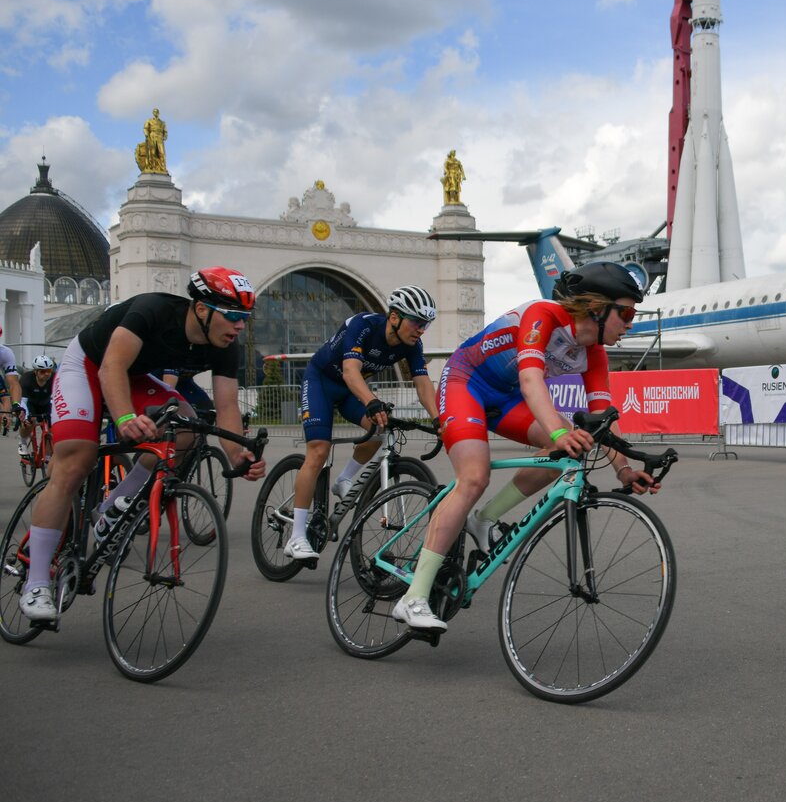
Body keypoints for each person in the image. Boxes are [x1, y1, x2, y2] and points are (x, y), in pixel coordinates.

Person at [392, 261, 662, 631]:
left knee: (574, 446)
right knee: (474, 477)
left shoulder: (594, 353)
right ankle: (414, 597)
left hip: (504, 400)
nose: (631, 323)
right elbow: (531, 380)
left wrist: (625, 467)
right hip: (465, 382)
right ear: (597, 309)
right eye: (627, 312)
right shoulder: (543, 315)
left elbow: (602, 423)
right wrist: (556, 432)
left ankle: (483, 518)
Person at [18, 267, 266, 622]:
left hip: (133, 376)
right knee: (76, 461)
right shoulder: (153, 310)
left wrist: (238, 454)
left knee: (186, 425)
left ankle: (115, 504)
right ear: (201, 309)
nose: (240, 326)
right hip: (89, 365)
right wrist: (124, 419)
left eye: (245, 318)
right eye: (233, 316)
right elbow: (110, 368)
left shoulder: (224, 344)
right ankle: (37, 581)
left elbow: (226, 407)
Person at [284, 287, 441, 564]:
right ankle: (296, 536)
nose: (421, 330)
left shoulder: (411, 345)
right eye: (417, 322)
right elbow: (350, 371)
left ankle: (345, 479)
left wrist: (438, 418)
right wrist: (371, 400)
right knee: (318, 451)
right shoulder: (364, 325)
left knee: (380, 427)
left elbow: (422, 381)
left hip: (348, 391)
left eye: (425, 324)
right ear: (394, 317)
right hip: (322, 381)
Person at [15, 355, 56, 457]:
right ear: (35, 372)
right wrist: (26, 417)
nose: (46, 374)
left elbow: (56, 399)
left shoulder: (55, 378)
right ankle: (23, 442)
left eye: (49, 371)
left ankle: (47, 458)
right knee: (30, 421)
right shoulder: (26, 380)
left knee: (51, 430)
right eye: (42, 371)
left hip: (45, 404)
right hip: (30, 404)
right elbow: (23, 401)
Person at [0, 326, 22, 434]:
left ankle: (5, 417)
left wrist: (16, 404)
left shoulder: (5, 353)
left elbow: (13, 383)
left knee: (5, 399)